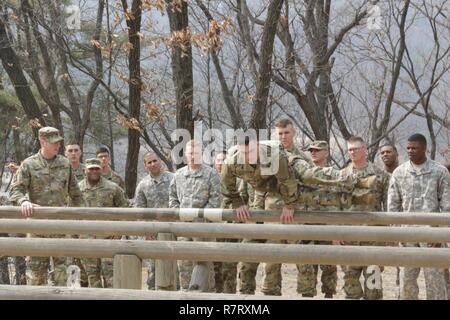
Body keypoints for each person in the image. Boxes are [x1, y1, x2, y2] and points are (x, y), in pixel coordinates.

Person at [221, 136, 351, 295]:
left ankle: (348, 178)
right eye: (244, 153)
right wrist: (237, 202)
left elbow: (287, 181)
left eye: (251, 152)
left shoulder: (274, 156)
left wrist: (290, 205)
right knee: (265, 255)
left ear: (258, 147)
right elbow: (226, 183)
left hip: (290, 169)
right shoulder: (233, 161)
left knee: (309, 178)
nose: (248, 156)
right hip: (271, 188)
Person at [9, 126, 83, 286]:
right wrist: (24, 201)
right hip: (37, 228)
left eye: (58, 142)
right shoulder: (28, 164)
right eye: (53, 142)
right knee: (36, 278)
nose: (57, 145)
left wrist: (78, 224)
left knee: (64, 279)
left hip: (61, 229)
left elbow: (77, 195)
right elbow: (15, 191)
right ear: (42, 141)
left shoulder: (65, 164)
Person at [388, 134, 450, 300]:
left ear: (424, 148)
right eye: (408, 148)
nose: (410, 151)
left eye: (414, 148)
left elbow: (447, 206)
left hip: (433, 235)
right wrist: (396, 233)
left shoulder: (440, 172)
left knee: (435, 283)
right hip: (407, 235)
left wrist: (442, 234)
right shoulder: (399, 173)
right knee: (406, 282)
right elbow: (393, 207)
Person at [259, 119, 311, 296]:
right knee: (272, 260)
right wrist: (258, 213)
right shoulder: (268, 157)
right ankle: (270, 294)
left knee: (303, 259)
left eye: (286, 133)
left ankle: (307, 295)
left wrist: (293, 205)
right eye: (279, 133)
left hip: (297, 215)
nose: (283, 137)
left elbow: (307, 188)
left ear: (294, 133)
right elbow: (260, 187)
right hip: (273, 214)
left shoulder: (302, 159)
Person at [339, 136, 390, 299]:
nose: (352, 152)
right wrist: (335, 233)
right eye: (349, 149)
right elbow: (335, 207)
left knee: (373, 288)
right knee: (350, 286)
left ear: (365, 150)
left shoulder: (380, 174)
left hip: (374, 238)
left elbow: (388, 205)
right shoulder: (341, 175)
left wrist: (390, 233)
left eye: (355, 149)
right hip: (348, 238)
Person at [169, 140, 221, 292]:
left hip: (204, 228)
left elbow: (215, 199)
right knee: (184, 265)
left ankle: (206, 296)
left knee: (204, 265)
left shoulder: (211, 174)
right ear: (185, 154)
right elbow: (172, 197)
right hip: (184, 228)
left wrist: (201, 217)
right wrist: (178, 213)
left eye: (196, 153)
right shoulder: (179, 175)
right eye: (190, 153)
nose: (193, 156)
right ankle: (186, 297)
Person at [296, 140, 339, 298]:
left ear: (326, 153)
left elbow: (340, 205)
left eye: (317, 150)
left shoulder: (335, 175)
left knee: (329, 268)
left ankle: (328, 295)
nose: (313, 152)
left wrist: (337, 232)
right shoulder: (304, 174)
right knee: (305, 267)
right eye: (311, 150)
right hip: (306, 227)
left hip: (327, 228)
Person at [78, 158, 129, 288]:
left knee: (111, 279)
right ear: (85, 170)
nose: (94, 171)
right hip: (87, 241)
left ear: (101, 170)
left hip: (109, 240)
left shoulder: (112, 188)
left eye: (97, 168)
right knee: (92, 280)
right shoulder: (77, 189)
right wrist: (77, 233)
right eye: (91, 169)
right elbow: (70, 212)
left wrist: (119, 231)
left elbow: (125, 210)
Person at [134, 152, 174, 290]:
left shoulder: (173, 179)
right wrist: (146, 230)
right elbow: (139, 212)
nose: (153, 164)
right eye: (149, 162)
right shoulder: (143, 185)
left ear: (160, 162)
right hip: (152, 235)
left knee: (175, 268)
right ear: (145, 165)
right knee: (153, 271)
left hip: (173, 231)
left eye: (155, 161)